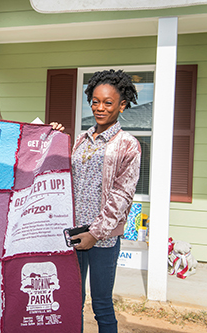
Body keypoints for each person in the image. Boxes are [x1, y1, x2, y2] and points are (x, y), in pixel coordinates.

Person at [70, 69, 141, 332]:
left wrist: (95, 233)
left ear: (122, 105)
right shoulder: (81, 140)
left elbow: (122, 195)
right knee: (71, 301)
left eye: (108, 103)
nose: (100, 108)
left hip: (103, 238)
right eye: (95, 101)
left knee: (101, 304)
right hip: (73, 234)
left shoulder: (128, 145)